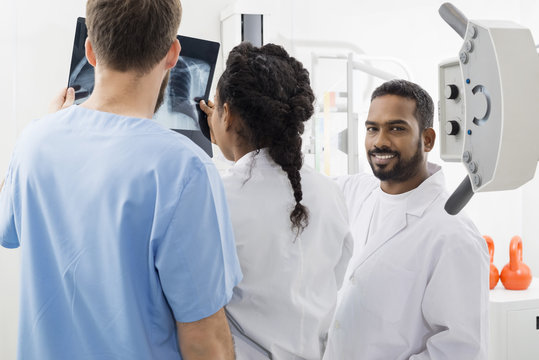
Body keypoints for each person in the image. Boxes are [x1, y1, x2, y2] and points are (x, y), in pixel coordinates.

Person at [0, 1, 242, 359]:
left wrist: (44, 130)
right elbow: (204, 341)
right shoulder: (185, 169)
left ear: (90, 50)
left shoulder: (35, 141)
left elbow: (8, 228)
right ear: (173, 53)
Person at [200, 42, 353, 360]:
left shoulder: (216, 197)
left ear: (226, 114)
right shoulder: (330, 193)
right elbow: (333, 278)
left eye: (219, 110)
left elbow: (198, 302)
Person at [323, 79, 489, 359]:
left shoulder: (453, 235)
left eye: (396, 128)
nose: (380, 141)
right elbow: (298, 188)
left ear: (427, 139)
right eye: (372, 129)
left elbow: (460, 352)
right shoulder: (357, 191)